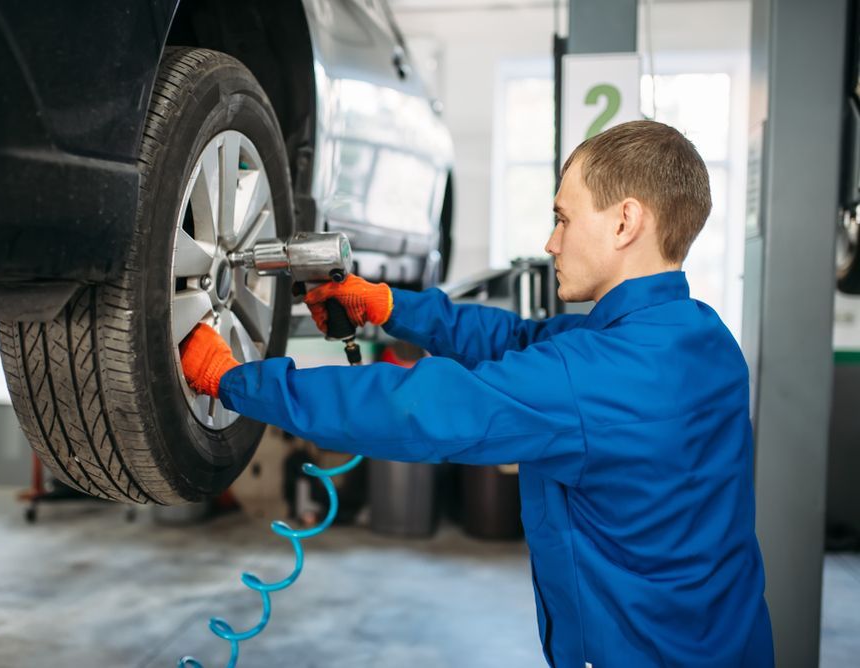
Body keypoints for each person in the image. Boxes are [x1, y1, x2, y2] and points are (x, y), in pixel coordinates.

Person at [179, 120, 774, 667]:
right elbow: (519, 338)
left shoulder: (594, 376)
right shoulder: (703, 337)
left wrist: (235, 380)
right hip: (730, 643)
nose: (551, 241)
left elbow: (411, 410)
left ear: (625, 221)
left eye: (564, 218)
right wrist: (391, 307)